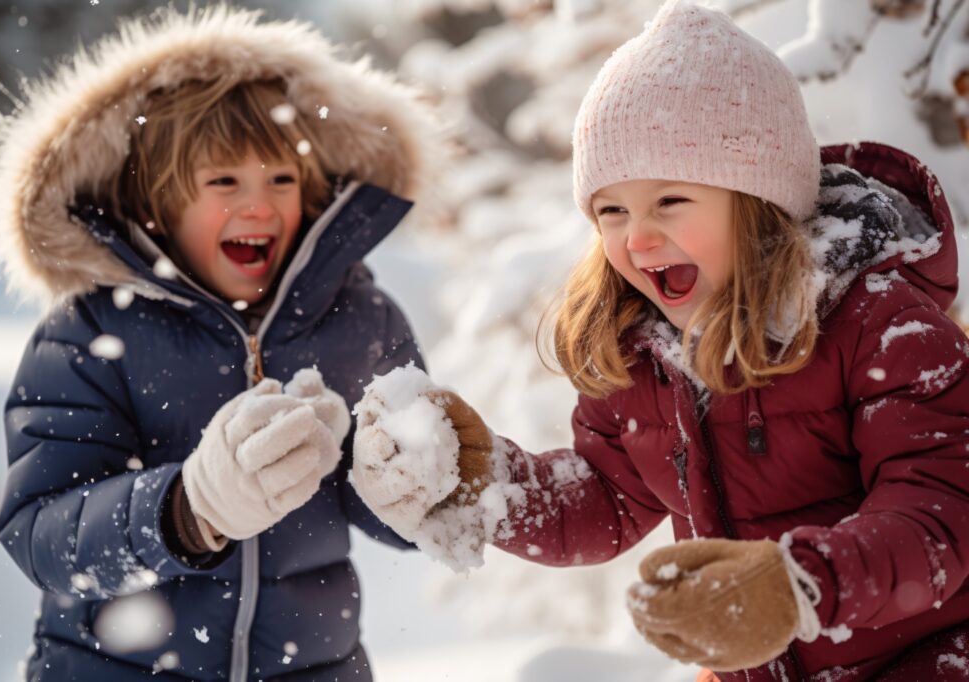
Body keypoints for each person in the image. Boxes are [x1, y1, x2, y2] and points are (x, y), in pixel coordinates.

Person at [349, 1, 969, 680]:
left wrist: (803, 584)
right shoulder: (646, 354)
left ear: (759, 201)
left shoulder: (881, 326)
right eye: (610, 211)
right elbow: (606, 500)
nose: (636, 238)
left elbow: (940, 509)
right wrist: (486, 482)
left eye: (669, 201)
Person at [0, 6, 444, 681]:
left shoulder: (359, 317)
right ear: (156, 207)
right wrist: (188, 511)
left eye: (281, 181)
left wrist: (410, 490)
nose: (259, 207)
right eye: (224, 182)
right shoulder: (93, 333)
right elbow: (44, 536)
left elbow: (399, 505)